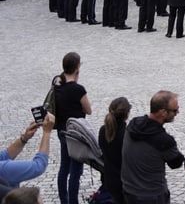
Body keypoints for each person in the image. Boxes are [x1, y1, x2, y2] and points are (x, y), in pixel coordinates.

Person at [121, 91, 184, 204]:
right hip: (153, 195)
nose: (177, 112)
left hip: (129, 191)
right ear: (163, 112)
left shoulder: (133, 124)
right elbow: (176, 163)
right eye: (175, 110)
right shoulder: (164, 141)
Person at [53, 52, 92, 204]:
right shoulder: (78, 89)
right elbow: (88, 110)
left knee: (64, 168)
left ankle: (64, 200)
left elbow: (57, 79)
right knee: (76, 170)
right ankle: (73, 202)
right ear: (77, 67)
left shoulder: (57, 86)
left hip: (62, 131)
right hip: (77, 134)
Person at [0, 114, 55, 188]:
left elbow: (4, 156)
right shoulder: (4, 170)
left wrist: (24, 138)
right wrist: (47, 132)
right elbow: (38, 166)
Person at [98, 97, 131, 204]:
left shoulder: (104, 130)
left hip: (109, 179)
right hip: (125, 182)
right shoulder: (127, 135)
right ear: (127, 114)